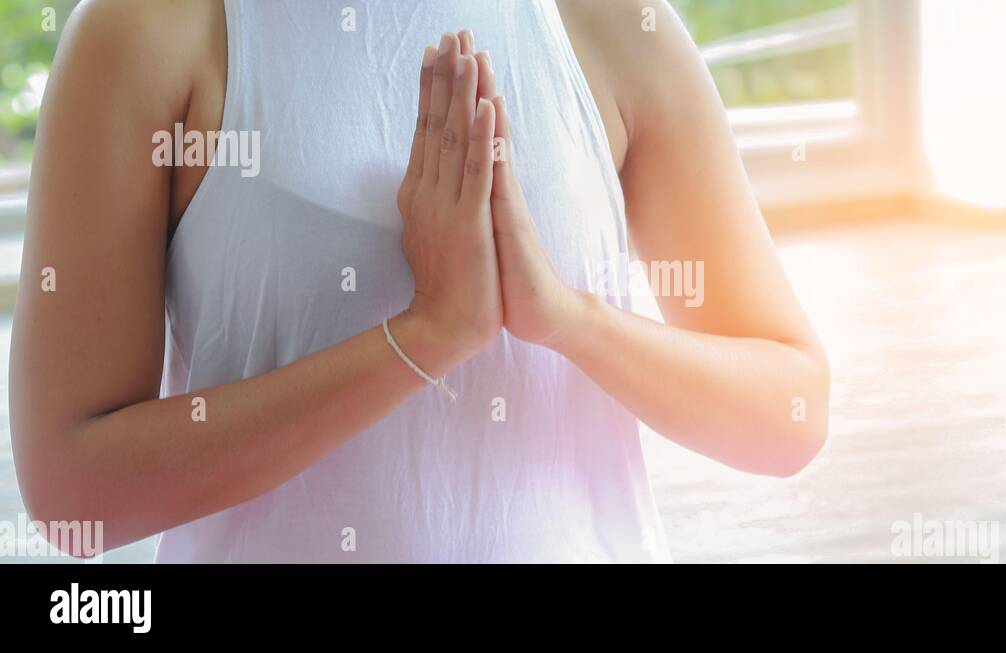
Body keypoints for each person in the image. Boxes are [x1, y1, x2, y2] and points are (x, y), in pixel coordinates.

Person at [10, 0, 828, 562]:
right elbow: (73, 486)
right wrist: (423, 339)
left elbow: (791, 411)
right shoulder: (147, 31)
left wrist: (569, 318)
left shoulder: (610, 23)